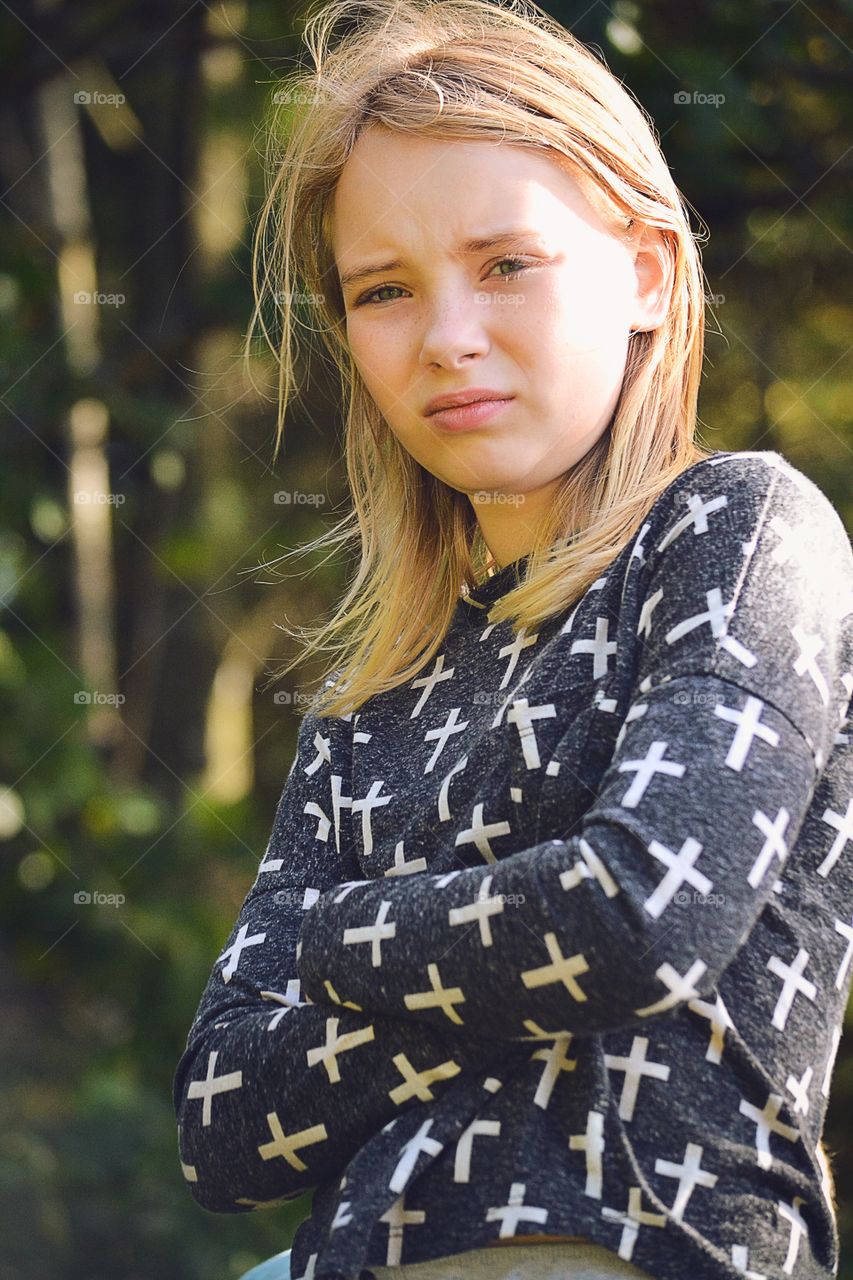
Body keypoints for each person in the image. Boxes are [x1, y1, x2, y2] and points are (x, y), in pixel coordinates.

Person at [172, 2, 853, 1278]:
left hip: (623, 1240)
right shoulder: (371, 685)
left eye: (505, 263)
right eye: (385, 289)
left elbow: (643, 910)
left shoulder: (735, 533)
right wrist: (504, 965)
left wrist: (334, 941)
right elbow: (219, 1118)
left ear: (645, 267)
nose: (447, 339)